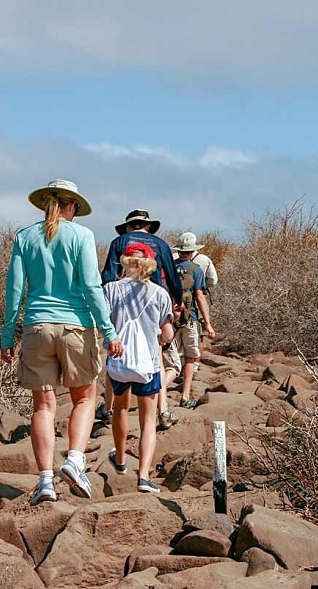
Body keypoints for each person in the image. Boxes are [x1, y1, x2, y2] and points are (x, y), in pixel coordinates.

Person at [0, 179, 123, 506]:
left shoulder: (24, 237)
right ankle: (75, 460)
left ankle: (45, 482)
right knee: (84, 399)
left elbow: (14, 291)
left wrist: (7, 334)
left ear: (45, 205)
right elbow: (91, 287)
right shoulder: (82, 236)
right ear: (72, 207)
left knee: (43, 406)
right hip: (76, 327)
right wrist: (109, 332)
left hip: (36, 326)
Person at [100, 209, 182, 430]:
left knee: (114, 360)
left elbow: (107, 275)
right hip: (154, 303)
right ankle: (163, 410)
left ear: (128, 226)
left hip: (121, 307)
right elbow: (172, 276)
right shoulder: (161, 244)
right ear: (147, 226)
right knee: (156, 361)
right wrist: (177, 300)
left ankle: (108, 409)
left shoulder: (119, 242)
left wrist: (106, 303)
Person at [103, 242, 174, 493]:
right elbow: (166, 334)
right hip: (149, 364)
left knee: (120, 408)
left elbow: (101, 322)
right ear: (151, 265)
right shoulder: (160, 294)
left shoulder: (110, 290)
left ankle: (120, 459)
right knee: (148, 420)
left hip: (118, 361)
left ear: (125, 262)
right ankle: (143, 476)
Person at [168, 232, 215, 408]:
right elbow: (200, 297)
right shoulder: (195, 270)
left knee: (168, 362)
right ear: (193, 251)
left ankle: (159, 392)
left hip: (169, 319)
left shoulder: (168, 268)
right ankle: (185, 396)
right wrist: (208, 324)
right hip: (190, 318)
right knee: (189, 358)